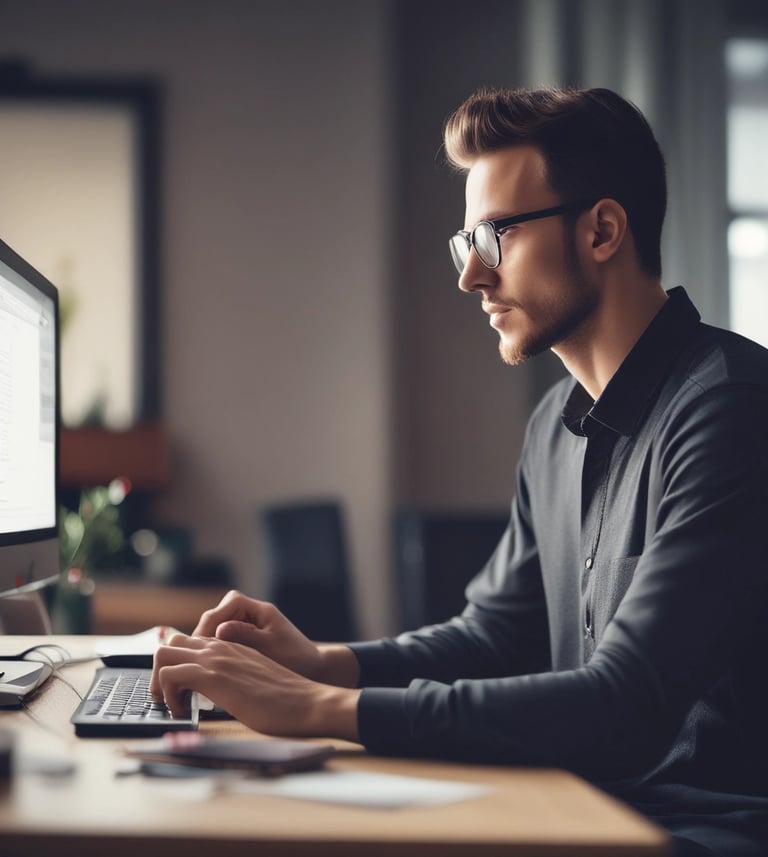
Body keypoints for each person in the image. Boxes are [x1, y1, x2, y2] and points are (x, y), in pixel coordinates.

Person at [151, 86, 768, 856]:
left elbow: (625, 702)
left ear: (603, 230)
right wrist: (323, 663)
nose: (471, 274)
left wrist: (313, 705)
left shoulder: (731, 410)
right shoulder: (554, 423)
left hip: (699, 834)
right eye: (466, 242)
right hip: (579, 808)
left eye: (496, 235)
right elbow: (493, 637)